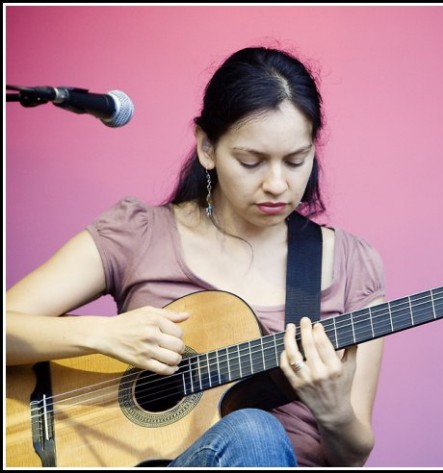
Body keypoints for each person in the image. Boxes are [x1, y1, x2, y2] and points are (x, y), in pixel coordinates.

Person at [6, 46, 386, 467]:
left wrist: (333, 411)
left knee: (255, 432)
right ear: (207, 147)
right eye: (252, 161)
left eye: (296, 161)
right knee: (254, 430)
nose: (278, 184)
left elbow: (352, 458)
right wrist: (103, 336)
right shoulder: (139, 233)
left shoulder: (350, 265)